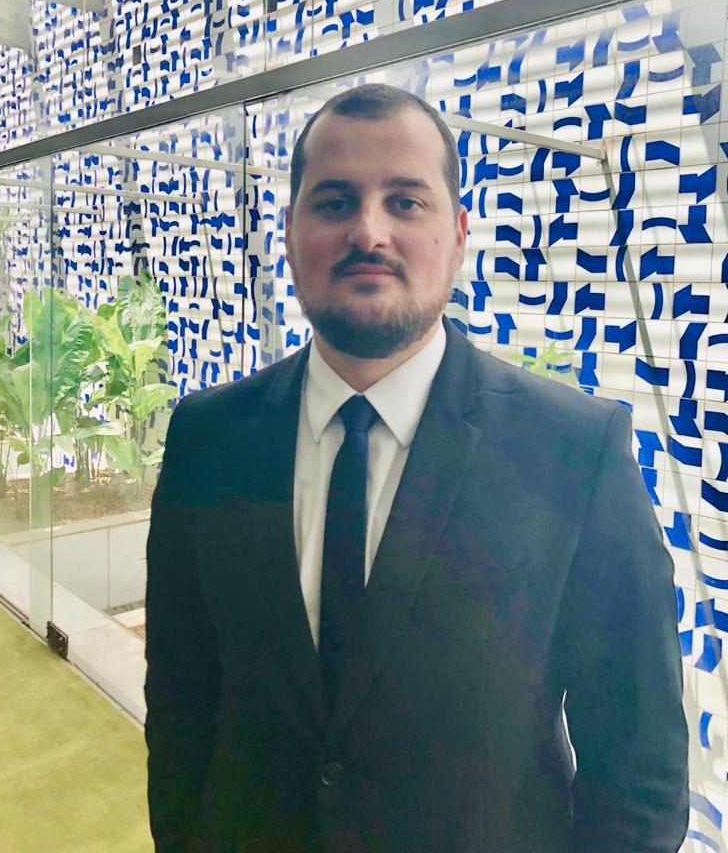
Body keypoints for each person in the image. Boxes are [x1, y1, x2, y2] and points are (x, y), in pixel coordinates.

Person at [144, 83, 689, 853]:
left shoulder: (573, 451)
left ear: (458, 234)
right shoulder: (207, 440)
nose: (369, 231)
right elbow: (182, 701)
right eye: (335, 201)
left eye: (405, 202)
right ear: (291, 232)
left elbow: (639, 769)